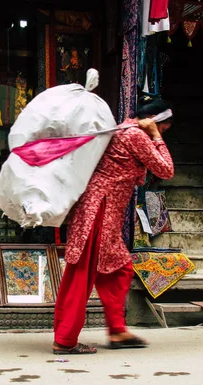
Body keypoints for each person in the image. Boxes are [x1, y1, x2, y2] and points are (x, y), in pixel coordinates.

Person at [52, 97, 175, 355]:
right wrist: (155, 135)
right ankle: (65, 340)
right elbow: (165, 170)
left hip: (104, 213)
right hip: (99, 211)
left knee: (119, 268)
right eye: (164, 127)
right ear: (155, 121)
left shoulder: (125, 130)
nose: (164, 132)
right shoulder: (136, 135)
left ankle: (117, 330)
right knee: (81, 274)